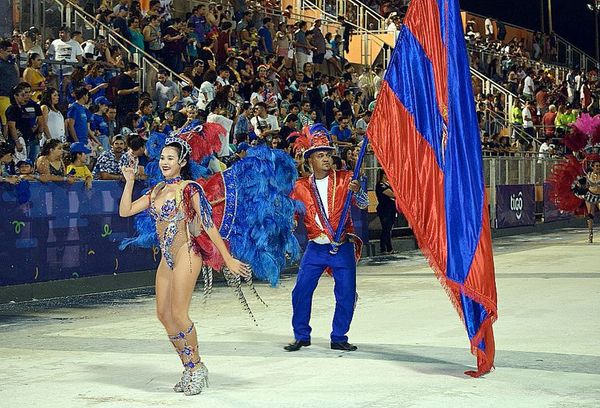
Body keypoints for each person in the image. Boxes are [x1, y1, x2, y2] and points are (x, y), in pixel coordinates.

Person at [118, 136, 249, 396]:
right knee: (163, 315)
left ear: (182, 162)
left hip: (187, 252)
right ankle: (188, 367)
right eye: (162, 158)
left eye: (170, 158)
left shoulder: (189, 188)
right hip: (167, 257)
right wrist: (130, 181)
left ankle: (197, 368)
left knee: (178, 313)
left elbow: (208, 224)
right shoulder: (155, 190)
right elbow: (125, 211)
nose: (164, 162)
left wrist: (227, 258)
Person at [284, 124, 369, 353]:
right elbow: (291, 215)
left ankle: (339, 336)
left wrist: (358, 190)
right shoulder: (300, 186)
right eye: (320, 155)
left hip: (342, 247)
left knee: (346, 293)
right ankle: (301, 335)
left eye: (328, 155)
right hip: (316, 248)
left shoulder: (345, 178)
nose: (326, 159)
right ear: (310, 159)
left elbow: (363, 204)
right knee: (301, 290)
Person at [375, 169, 397, 254]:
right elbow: (392, 194)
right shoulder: (381, 185)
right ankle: (384, 248)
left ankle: (389, 248)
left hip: (391, 209)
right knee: (386, 229)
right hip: (385, 209)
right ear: (383, 175)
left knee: (388, 229)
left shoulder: (388, 184)